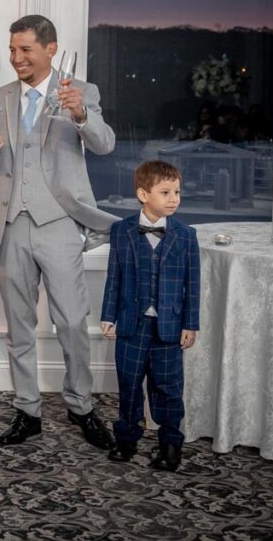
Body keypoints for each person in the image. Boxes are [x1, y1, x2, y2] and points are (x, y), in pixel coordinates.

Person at [0, 14, 117, 450]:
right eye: (12, 49)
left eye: (25, 49)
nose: (16, 57)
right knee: (19, 325)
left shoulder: (80, 92)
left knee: (72, 320)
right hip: (10, 225)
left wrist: (79, 113)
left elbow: (105, 143)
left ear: (50, 49)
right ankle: (27, 411)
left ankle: (81, 406)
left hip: (58, 224)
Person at [101, 161, 199, 471]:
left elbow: (192, 285)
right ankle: (127, 437)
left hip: (169, 327)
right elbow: (113, 277)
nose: (174, 198)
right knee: (129, 384)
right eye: (166, 192)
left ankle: (170, 443)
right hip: (132, 323)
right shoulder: (121, 231)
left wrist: (190, 323)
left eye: (177, 192)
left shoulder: (186, 236)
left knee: (168, 388)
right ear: (143, 194)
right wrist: (108, 315)